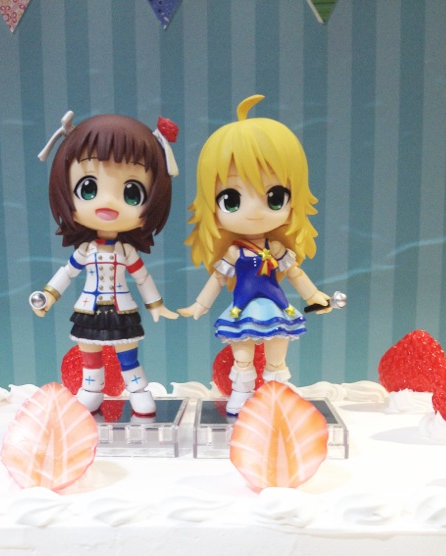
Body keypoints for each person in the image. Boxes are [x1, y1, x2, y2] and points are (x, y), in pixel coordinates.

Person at [179, 95, 331, 414]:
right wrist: (199, 305)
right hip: (242, 310)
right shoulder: (234, 252)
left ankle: (276, 396)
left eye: (274, 197)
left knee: (277, 358)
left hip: (277, 308)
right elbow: (217, 279)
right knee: (243, 357)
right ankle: (242, 393)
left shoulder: (276, 249)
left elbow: (296, 273)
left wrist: (315, 296)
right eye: (232, 199)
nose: (253, 211)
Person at [32, 111, 179, 415]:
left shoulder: (126, 252)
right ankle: (91, 390)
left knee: (127, 351)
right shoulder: (85, 250)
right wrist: (47, 296)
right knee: (89, 351)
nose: (108, 202)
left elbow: (142, 277)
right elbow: (67, 273)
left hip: (122, 309)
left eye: (131, 193)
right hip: (88, 308)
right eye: (88, 189)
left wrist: (156, 305)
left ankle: (137, 389)